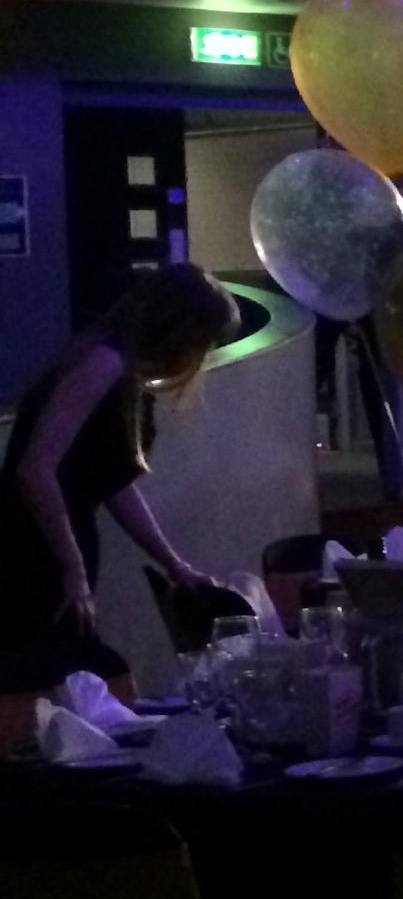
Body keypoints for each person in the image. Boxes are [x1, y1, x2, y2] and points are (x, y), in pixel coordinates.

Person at [2, 264, 244, 681]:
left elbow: (110, 481)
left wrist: (174, 565)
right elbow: (35, 469)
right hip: (34, 551)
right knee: (43, 673)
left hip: (48, 545)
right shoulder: (104, 364)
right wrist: (71, 566)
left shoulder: (112, 362)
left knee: (56, 676)